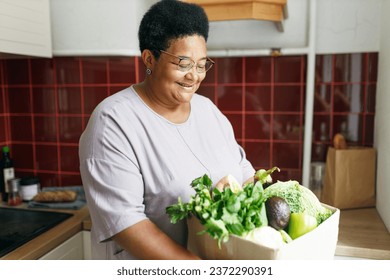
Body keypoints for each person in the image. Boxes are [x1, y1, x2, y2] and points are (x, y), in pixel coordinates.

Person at [79, 0, 255, 260]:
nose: (194, 76)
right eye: (183, 63)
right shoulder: (113, 122)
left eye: (201, 64)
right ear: (150, 58)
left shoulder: (209, 111)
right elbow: (126, 223)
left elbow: (245, 176)